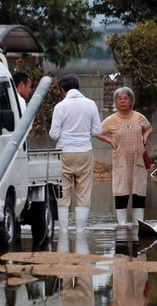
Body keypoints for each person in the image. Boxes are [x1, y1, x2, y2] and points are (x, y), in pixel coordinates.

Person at [49, 74, 102, 233]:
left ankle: (63, 231)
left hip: (64, 153)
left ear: (62, 90)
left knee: (63, 193)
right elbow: (97, 130)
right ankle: (80, 231)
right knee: (83, 192)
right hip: (84, 152)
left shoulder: (60, 107)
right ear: (79, 88)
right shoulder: (91, 104)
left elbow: (54, 134)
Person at [96, 86, 153, 226]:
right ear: (115, 102)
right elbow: (97, 132)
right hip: (121, 161)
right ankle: (122, 225)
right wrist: (110, 141)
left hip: (138, 160)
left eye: (125, 98)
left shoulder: (139, 117)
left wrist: (145, 136)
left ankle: (138, 224)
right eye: (119, 99)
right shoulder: (111, 120)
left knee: (138, 191)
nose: (122, 101)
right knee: (121, 190)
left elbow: (149, 127)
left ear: (131, 101)